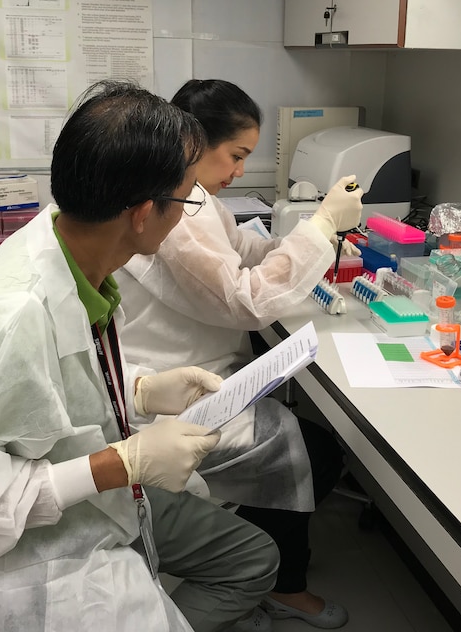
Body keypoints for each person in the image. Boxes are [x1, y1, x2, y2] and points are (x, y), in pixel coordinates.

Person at [0, 81, 279, 632]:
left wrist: (140, 390)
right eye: (189, 196)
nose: (192, 210)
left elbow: (44, 386)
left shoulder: (69, 248)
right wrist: (118, 465)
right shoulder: (7, 317)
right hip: (22, 565)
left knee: (238, 557)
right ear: (146, 213)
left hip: (85, 506)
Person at [118, 79, 363, 630]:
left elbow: (242, 251)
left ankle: (251, 564)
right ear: (192, 144)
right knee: (312, 451)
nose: (237, 171)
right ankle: (275, 581)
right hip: (168, 390)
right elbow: (245, 297)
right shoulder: (178, 211)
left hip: (183, 372)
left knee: (303, 440)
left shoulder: (195, 198)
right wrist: (322, 224)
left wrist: (302, 241)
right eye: (236, 156)